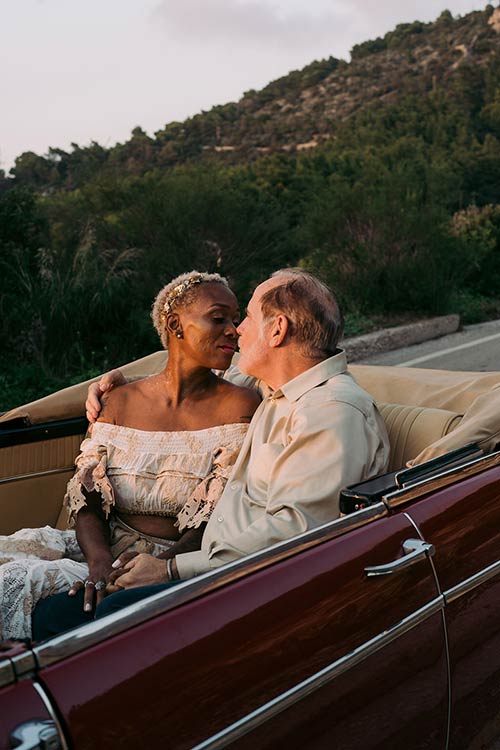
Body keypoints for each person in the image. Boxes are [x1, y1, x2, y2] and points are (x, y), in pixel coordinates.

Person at [33, 267, 390, 635]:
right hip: (212, 566)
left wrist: (170, 569)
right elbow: (183, 384)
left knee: (88, 620)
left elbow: (296, 532)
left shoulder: (331, 412)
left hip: (247, 583)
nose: (239, 331)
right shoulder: (279, 386)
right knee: (49, 611)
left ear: (278, 330)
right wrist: (123, 384)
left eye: (247, 317)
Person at [0, 271, 260, 640]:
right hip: (98, 549)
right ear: (175, 325)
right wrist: (100, 561)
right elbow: (86, 493)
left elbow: (216, 516)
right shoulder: (119, 400)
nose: (233, 329)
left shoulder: (242, 404)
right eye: (219, 318)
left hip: (175, 561)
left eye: (235, 319)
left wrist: (156, 567)